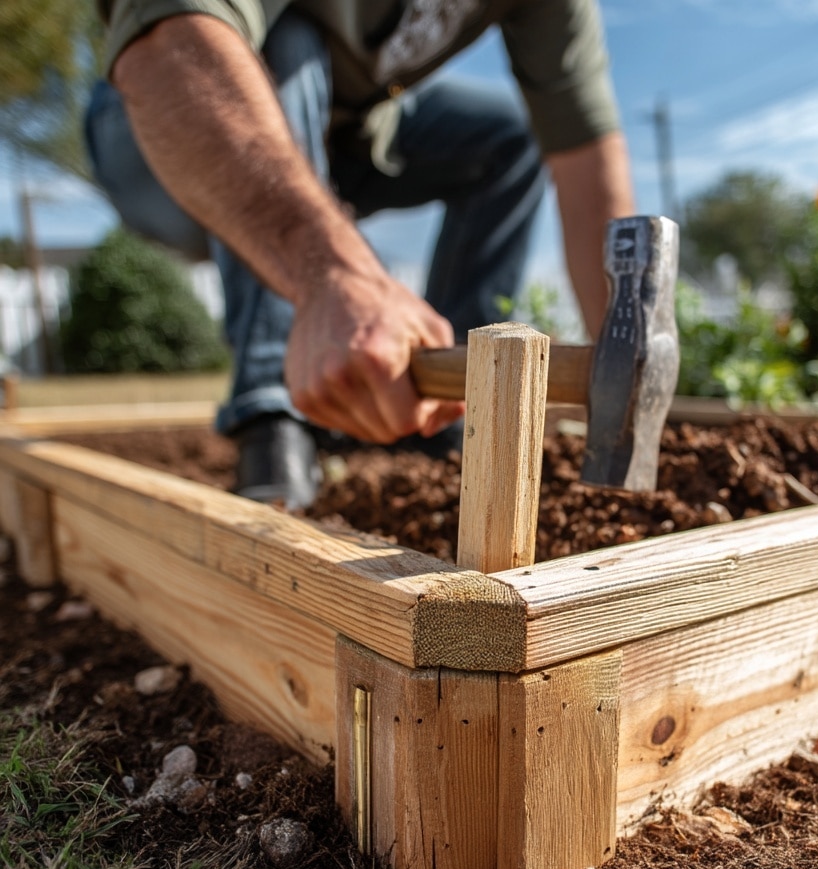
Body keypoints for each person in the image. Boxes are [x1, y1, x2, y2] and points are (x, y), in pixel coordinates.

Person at [87, 0, 636, 506]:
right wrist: (333, 272)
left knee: (511, 139)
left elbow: (585, 156)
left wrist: (626, 357)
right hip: (165, 121)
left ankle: (453, 408)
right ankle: (271, 414)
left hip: (349, 134)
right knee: (288, 37)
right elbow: (169, 43)